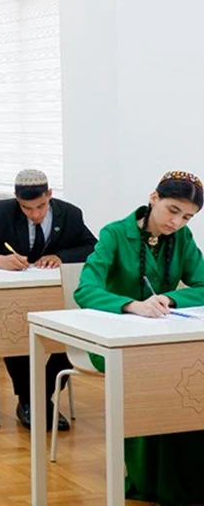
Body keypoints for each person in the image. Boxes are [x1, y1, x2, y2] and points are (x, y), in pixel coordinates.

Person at [74, 171, 204, 503]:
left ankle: (190, 477)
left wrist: (171, 298)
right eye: (173, 210)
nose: (177, 222)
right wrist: (131, 305)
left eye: (187, 217)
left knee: (193, 376)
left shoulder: (182, 239)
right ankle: (151, 478)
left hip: (163, 337)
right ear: (154, 198)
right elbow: (85, 289)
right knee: (161, 374)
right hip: (111, 341)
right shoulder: (115, 233)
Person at [0, 168, 96, 430]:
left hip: (54, 297)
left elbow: (92, 247)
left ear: (50, 194)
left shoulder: (69, 213)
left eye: (41, 206)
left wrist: (61, 256)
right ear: (16, 199)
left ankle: (38, 396)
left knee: (74, 333)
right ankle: (31, 401)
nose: (35, 214)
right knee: (15, 332)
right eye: (27, 208)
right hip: (12, 299)